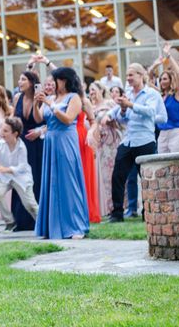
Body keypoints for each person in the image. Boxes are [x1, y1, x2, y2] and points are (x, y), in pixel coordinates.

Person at [101, 63, 167, 223]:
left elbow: (152, 112)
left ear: (140, 75)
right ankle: (117, 213)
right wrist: (120, 111)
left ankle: (149, 212)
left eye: (131, 75)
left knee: (146, 179)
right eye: (127, 76)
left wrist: (129, 105)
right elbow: (122, 117)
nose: (128, 79)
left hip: (145, 140)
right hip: (128, 140)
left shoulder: (151, 94)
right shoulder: (128, 93)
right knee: (117, 176)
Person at [34, 67, 89, 239]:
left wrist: (51, 104)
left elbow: (67, 119)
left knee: (69, 182)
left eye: (55, 80)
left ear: (63, 80)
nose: (52, 84)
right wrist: (38, 104)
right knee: (52, 182)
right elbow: (38, 118)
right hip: (51, 141)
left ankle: (75, 226)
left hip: (66, 140)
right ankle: (51, 226)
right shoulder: (51, 98)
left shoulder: (74, 98)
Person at [12, 71, 45, 231]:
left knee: (35, 179)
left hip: (36, 142)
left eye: (23, 79)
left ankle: (36, 218)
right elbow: (13, 120)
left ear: (32, 83)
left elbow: (41, 120)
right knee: (19, 179)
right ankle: (21, 220)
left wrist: (36, 103)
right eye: (20, 79)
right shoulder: (17, 97)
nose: (19, 82)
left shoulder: (40, 97)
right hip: (21, 143)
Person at [86, 81, 121, 217]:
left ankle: (114, 206)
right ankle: (102, 207)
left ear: (101, 90)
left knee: (110, 174)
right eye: (90, 90)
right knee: (99, 175)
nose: (92, 92)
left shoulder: (110, 103)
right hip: (96, 144)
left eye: (94, 89)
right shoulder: (90, 106)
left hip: (110, 143)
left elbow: (119, 120)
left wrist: (110, 120)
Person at [150, 43, 179, 153]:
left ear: (170, 80)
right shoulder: (160, 95)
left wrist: (169, 56)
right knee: (163, 166)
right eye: (160, 79)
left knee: (178, 164)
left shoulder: (177, 94)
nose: (162, 81)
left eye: (165, 79)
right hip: (162, 134)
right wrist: (154, 65)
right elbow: (146, 81)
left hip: (177, 132)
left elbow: (178, 74)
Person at [77, 91, 100, 223]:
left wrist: (91, 133)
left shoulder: (84, 101)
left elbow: (94, 122)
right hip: (66, 138)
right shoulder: (60, 99)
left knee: (85, 174)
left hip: (81, 138)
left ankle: (86, 210)